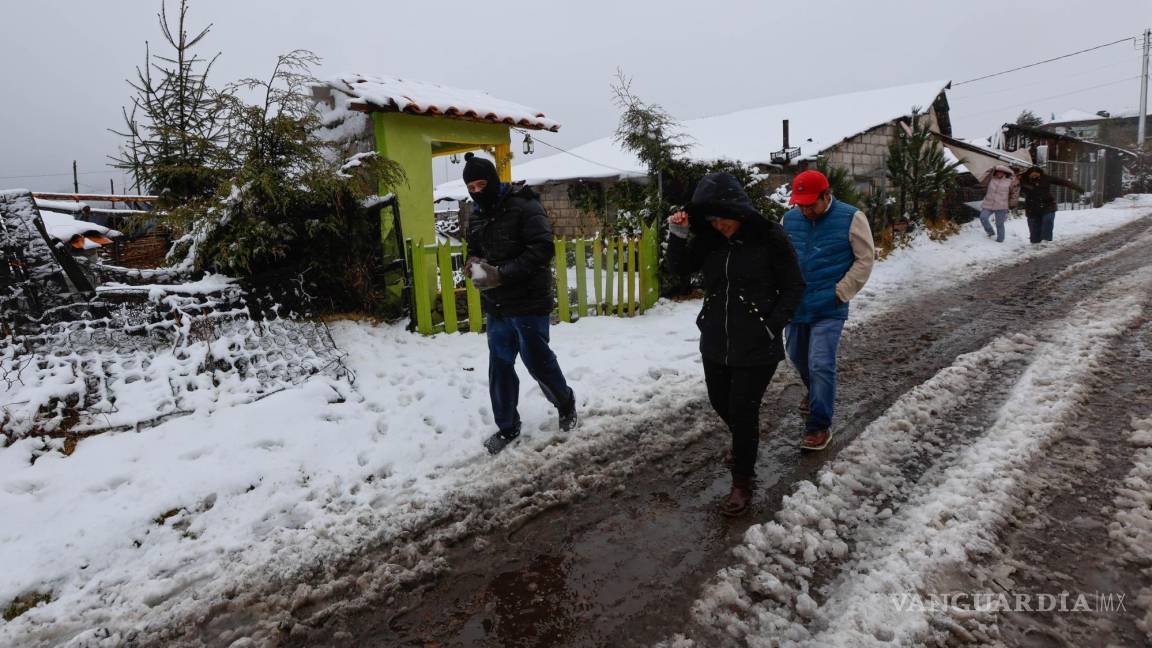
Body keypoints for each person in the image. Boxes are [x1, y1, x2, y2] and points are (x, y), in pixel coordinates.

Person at [666, 172, 805, 516]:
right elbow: (678, 270)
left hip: (757, 344)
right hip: (715, 338)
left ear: (737, 210)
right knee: (719, 401)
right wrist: (678, 235)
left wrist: (771, 326)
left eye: (722, 218)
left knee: (743, 411)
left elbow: (794, 286)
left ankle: (741, 481)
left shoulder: (769, 236)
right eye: (711, 219)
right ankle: (746, 444)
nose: (718, 225)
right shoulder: (710, 238)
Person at [461, 152, 578, 455]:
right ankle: (507, 425)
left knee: (536, 360)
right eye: (471, 187)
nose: (477, 191)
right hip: (497, 303)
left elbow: (542, 249)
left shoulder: (525, 205)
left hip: (529, 300)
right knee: (499, 365)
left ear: (493, 180)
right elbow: (473, 248)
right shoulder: (475, 215)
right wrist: (473, 263)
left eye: (481, 184)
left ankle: (565, 403)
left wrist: (502, 274)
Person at [781, 170, 875, 452]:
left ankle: (819, 425)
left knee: (821, 362)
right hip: (797, 303)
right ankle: (815, 393)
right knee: (797, 355)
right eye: (801, 204)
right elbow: (781, 257)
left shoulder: (851, 217)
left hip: (829, 304)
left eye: (811, 204)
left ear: (826, 195)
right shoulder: (789, 219)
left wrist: (840, 292)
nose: (806, 210)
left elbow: (865, 259)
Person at [1018, 165, 1084, 244]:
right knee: (1034, 226)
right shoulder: (1023, 180)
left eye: (1036, 174)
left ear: (1040, 173)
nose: (1034, 176)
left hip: (1047, 205)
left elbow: (1062, 182)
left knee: (1048, 220)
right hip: (1032, 206)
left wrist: (1077, 188)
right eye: (1032, 175)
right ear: (1029, 174)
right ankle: (1035, 242)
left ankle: (1046, 239)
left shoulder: (1046, 178)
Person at [978, 164, 1019, 243]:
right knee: (983, 217)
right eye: (998, 172)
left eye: (1001, 172)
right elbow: (982, 180)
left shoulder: (1009, 181)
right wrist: (990, 169)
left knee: (999, 224)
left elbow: (1014, 193)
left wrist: (1012, 204)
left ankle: (1000, 239)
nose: (999, 173)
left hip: (1002, 206)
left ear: (1005, 173)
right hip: (988, 204)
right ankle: (990, 232)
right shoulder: (990, 179)